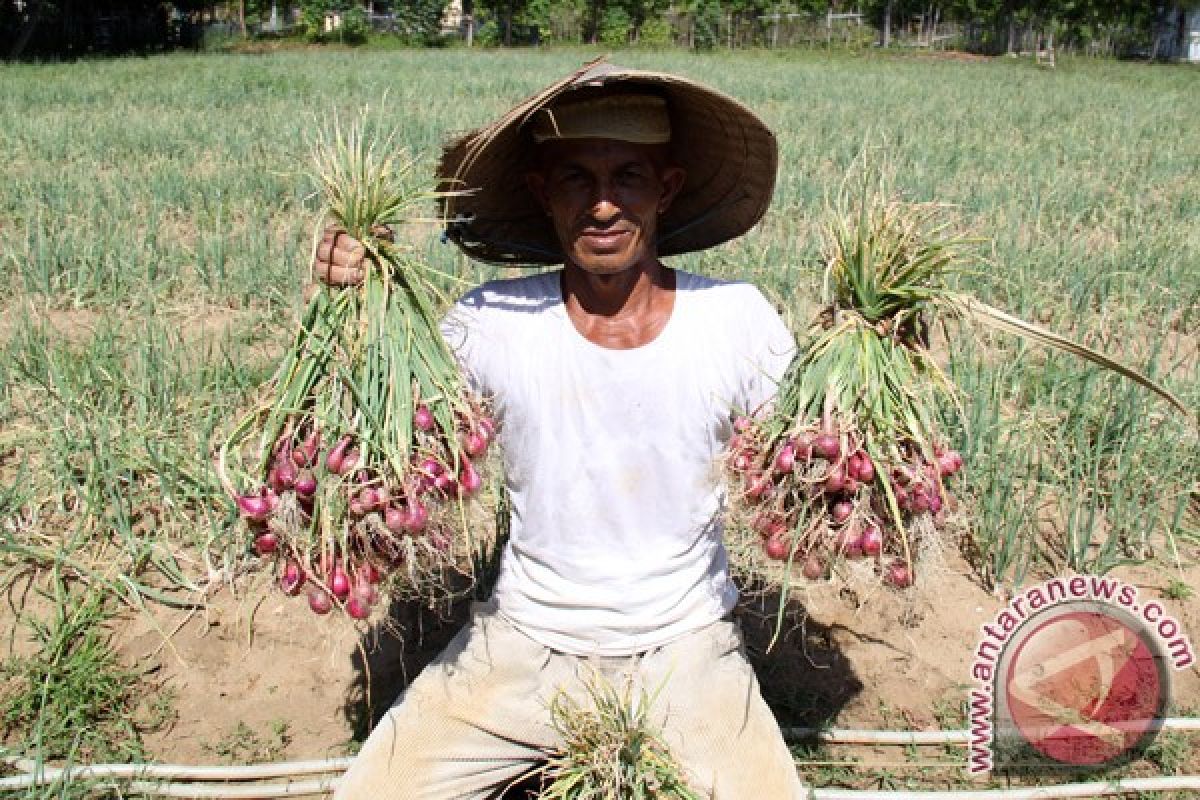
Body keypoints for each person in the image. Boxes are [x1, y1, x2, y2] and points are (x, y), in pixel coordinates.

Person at [318, 60, 804, 800]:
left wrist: (891, 349)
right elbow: (389, 426)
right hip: (522, 645)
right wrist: (360, 298)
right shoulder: (490, 323)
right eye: (575, 178)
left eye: (629, 178)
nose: (602, 205)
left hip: (687, 648)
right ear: (542, 192)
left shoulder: (736, 320)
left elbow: (816, 450)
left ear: (666, 189)